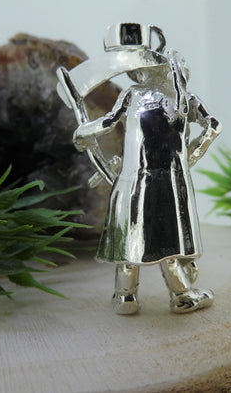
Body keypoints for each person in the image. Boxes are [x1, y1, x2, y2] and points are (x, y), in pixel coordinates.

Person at [59, 23, 221, 314]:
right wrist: (85, 132)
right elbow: (109, 122)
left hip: (146, 180)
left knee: (138, 238)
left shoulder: (172, 98)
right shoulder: (139, 95)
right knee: (157, 239)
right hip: (149, 179)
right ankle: (176, 295)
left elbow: (212, 126)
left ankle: (128, 297)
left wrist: (194, 152)